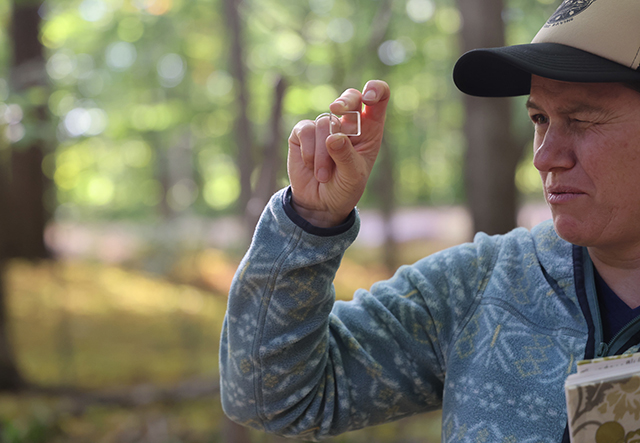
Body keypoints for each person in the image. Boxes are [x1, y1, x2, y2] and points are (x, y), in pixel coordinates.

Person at [220, 1, 640, 441]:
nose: (543, 157)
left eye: (582, 119)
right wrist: (311, 222)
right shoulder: (480, 287)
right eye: (540, 118)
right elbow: (270, 400)